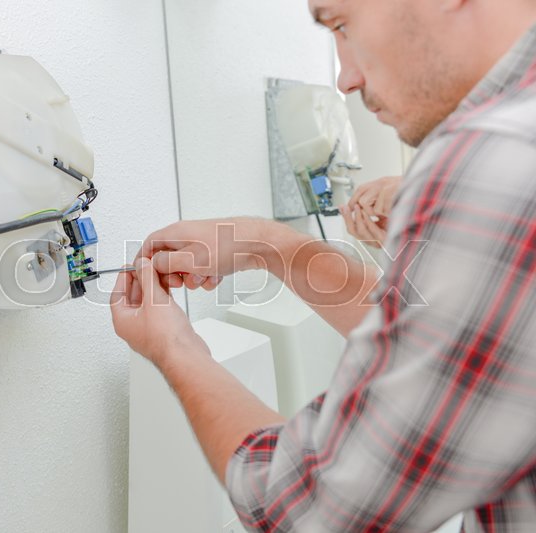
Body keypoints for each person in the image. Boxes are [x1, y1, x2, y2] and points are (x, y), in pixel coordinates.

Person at [109, 0, 536, 531]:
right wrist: (268, 246)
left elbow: (315, 507)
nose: (345, 79)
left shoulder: (493, 156)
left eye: (341, 23)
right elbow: (452, 345)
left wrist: (174, 347)